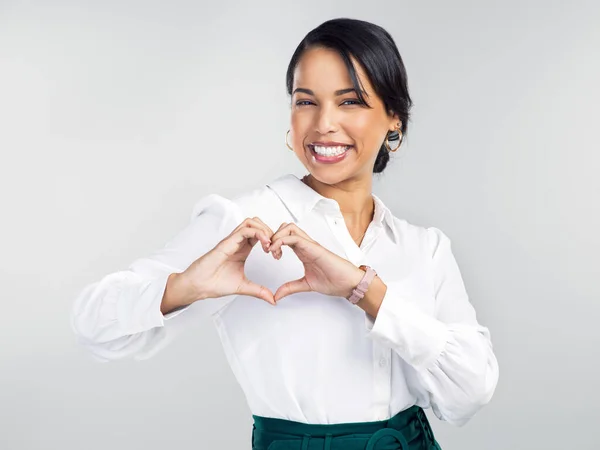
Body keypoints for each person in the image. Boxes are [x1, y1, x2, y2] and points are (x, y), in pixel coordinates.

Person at [70, 17, 499, 450]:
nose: (324, 123)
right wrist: (183, 288)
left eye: (349, 102)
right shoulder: (245, 225)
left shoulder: (423, 248)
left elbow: (470, 393)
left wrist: (366, 290)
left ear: (394, 119)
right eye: (305, 101)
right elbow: (92, 326)